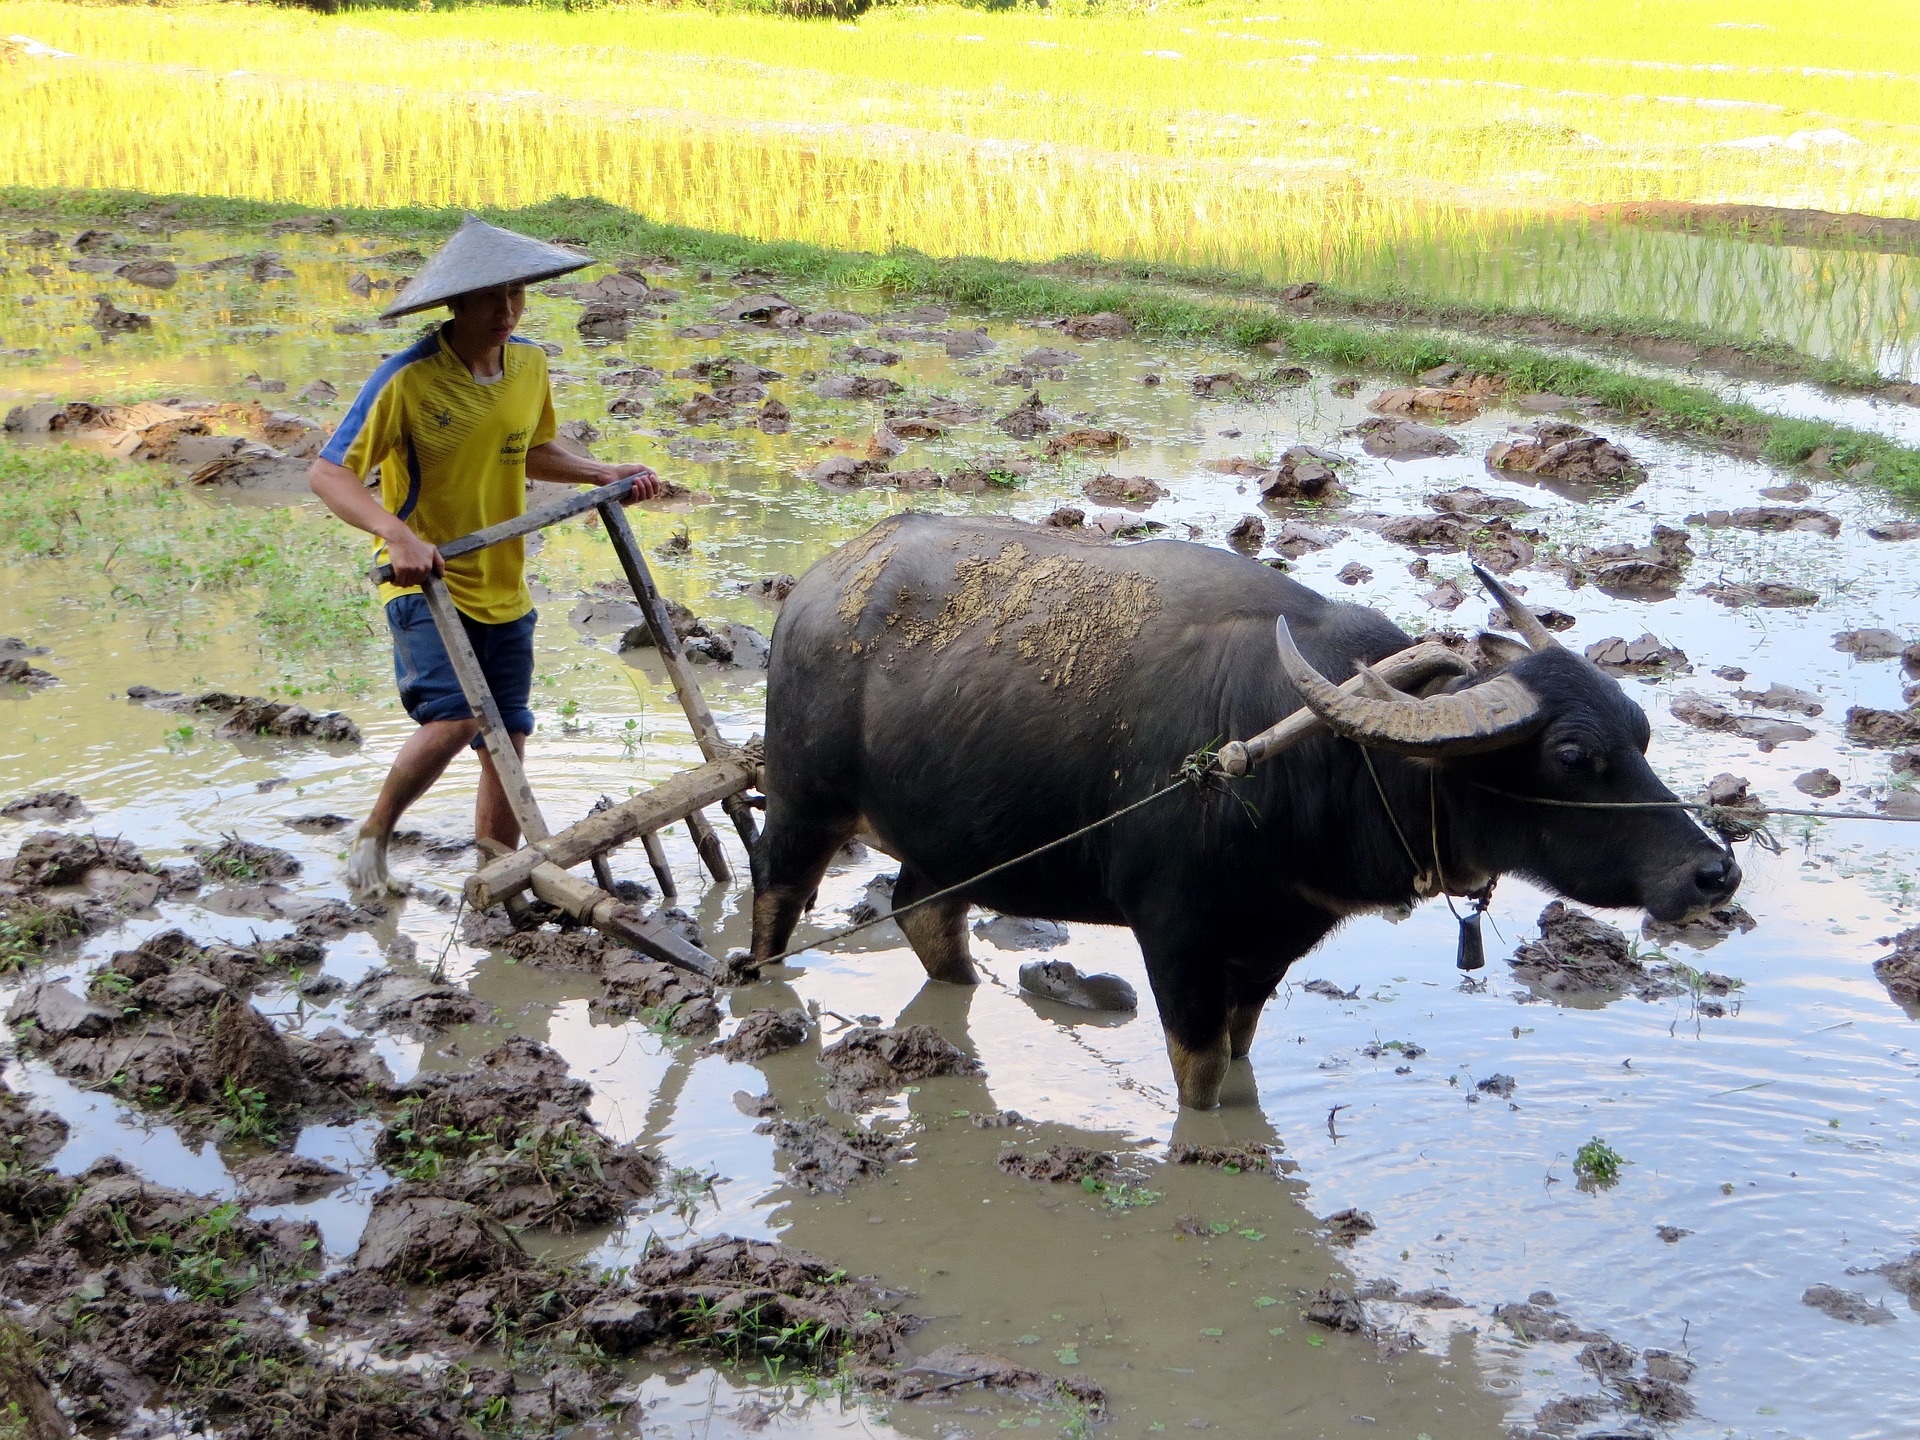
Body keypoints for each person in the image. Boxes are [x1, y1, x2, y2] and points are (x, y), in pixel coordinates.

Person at [308, 215, 660, 899]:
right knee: (459, 716)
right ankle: (373, 837)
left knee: (508, 732)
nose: (505, 311)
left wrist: (603, 472)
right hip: (427, 580)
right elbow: (329, 473)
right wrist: (396, 534)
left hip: (504, 577)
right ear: (456, 304)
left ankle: (494, 868)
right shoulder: (406, 380)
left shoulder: (528, 365)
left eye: (517, 294)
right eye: (489, 298)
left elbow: (530, 449)